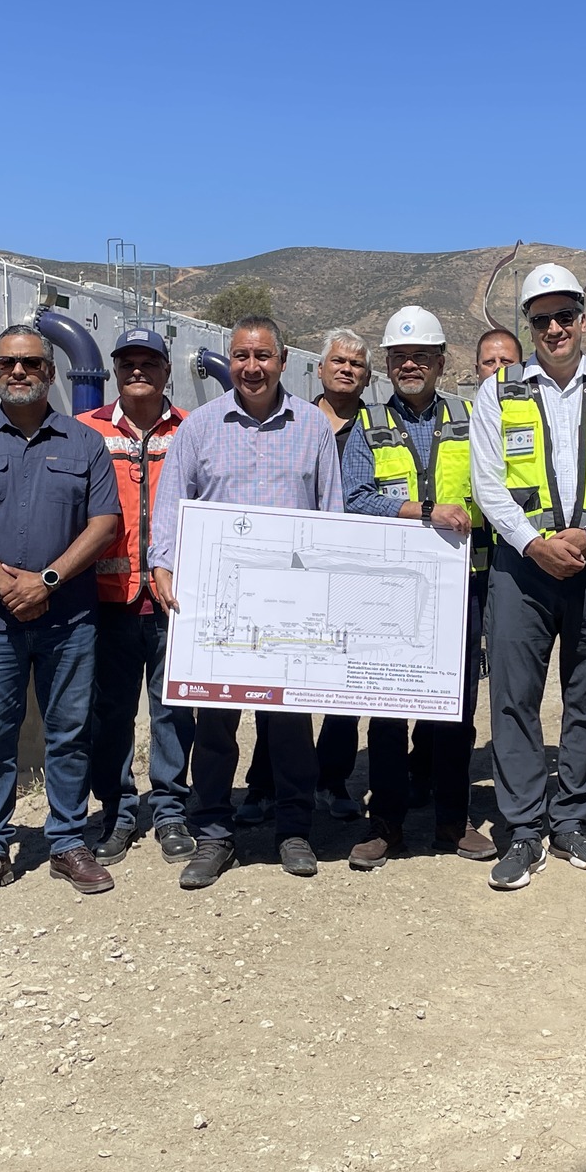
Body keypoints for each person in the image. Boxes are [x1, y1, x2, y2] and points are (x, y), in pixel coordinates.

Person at [470, 262, 586, 891]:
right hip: (524, 570)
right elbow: (486, 483)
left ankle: (573, 817)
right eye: (541, 318)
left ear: (583, 317)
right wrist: (533, 544)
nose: (554, 328)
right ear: (528, 325)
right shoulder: (497, 394)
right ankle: (522, 829)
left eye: (564, 315)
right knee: (514, 698)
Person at [149, 315, 346, 888]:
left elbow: (329, 513)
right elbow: (170, 507)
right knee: (212, 727)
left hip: (291, 609)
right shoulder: (200, 427)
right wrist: (162, 564)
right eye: (240, 356)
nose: (251, 367)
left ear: (283, 361)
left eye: (263, 357)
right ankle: (213, 833)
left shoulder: (312, 427)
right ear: (228, 362)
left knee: (287, 726)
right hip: (217, 609)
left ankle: (293, 830)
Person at [0, 326, 121, 901]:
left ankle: (67, 841)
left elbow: (105, 524)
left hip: (68, 620)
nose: (20, 372)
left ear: (51, 372)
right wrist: (5, 584)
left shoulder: (84, 443)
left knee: (69, 733)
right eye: (9, 364)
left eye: (32, 364)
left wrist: (47, 581)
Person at [340, 305, 499, 867]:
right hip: (391, 590)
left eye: (422, 356)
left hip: (462, 586)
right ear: (386, 363)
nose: (411, 365)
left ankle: (453, 824)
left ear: (440, 361)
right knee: (386, 709)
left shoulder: (474, 415)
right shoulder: (365, 426)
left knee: (456, 708)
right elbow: (354, 500)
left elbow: (497, 488)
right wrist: (421, 510)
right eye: (401, 357)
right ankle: (385, 824)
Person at [76, 328, 196, 867]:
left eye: (150, 362)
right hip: (107, 599)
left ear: (167, 371)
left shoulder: (193, 431)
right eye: (128, 362)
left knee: (174, 709)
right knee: (110, 712)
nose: (138, 371)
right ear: (114, 370)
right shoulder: (86, 431)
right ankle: (118, 812)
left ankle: (170, 809)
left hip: (173, 598)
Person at [242, 329, 369, 823]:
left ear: (367, 376)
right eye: (338, 361)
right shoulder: (292, 419)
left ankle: (332, 780)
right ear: (318, 368)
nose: (346, 369)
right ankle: (263, 783)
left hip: (351, 572)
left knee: (343, 687)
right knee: (276, 684)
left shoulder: (376, 430)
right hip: (285, 574)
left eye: (357, 364)